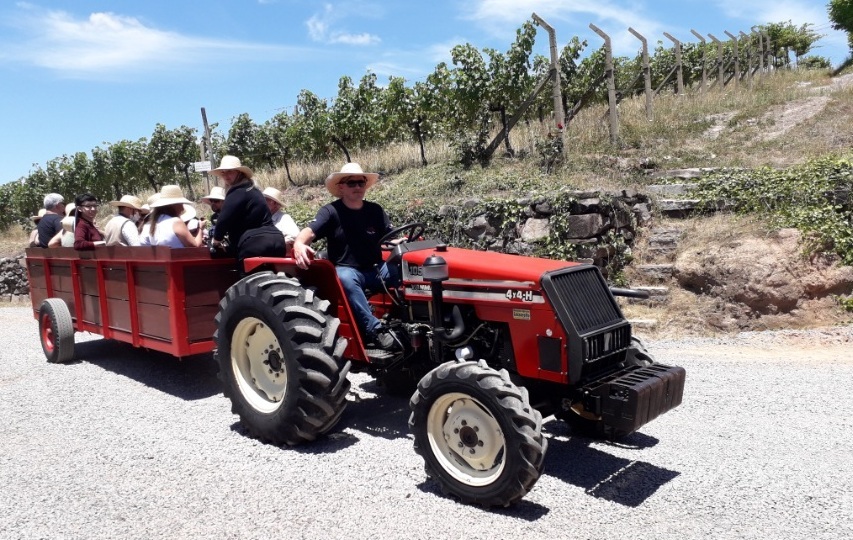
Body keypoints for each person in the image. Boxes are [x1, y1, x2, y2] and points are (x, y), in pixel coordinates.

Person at [292, 162, 400, 349]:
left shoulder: (375, 210)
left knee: (405, 272)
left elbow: (390, 238)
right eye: (352, 183)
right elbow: (309, 232)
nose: (357, 187)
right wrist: (299, 244)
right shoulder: (331, 212)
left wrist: (403, 242)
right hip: (348, 269)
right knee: (346, 279)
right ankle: (375, 331)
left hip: (376, 269)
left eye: (361, 183)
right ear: (341, 187)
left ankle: (405, 323)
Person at [208, 155, 285, 270]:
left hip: (255, 243)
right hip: (277, 241)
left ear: (239, 172)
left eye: (229, 172)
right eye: (223, 173)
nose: (226, 176)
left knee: (247, 284)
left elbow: (223, 220)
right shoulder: (254, 191)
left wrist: (215, 241)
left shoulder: (237, 192)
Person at [139, 185, 205, 248]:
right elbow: (195, 246)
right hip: (180, 258)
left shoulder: (152, 223)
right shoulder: (176, 222)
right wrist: (200, 228)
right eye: (181, 204)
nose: (182, 208)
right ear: (174, 205)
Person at [262, 187, 300, 254]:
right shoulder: (262, 219)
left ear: (275, 203)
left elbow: (295, 236)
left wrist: (276, 243)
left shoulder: (284, 218)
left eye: (266, 199)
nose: (263, 202)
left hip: (280, 258)